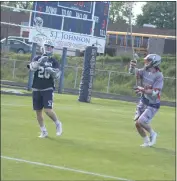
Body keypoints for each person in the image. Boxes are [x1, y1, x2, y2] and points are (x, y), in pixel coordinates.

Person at [27, 39, 62, 138]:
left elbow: (58, 76)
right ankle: (43, 131)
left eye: (50, 47)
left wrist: (52, 71)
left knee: (47, 110)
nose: (48, 48)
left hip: (47, 88)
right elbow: (31, 68)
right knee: (38, 112)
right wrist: (39, 62)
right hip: (36, 88)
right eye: (47, 46)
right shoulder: (37, 57)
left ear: (53, 48)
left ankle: (58, 123)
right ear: (43, 47)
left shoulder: (54, 61)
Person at [129, 54, 164, 147]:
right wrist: (132, 66)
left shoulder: (159, 76)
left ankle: (153, 134)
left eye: (148, 61)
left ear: (154, 62)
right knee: (137, 124)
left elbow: (155, 92)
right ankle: (146, 141)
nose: (146, 62)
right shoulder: (144, 70)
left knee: (141, 121)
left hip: (153, 104)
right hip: (144, 101)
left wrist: (142, 90)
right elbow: (134, 73)